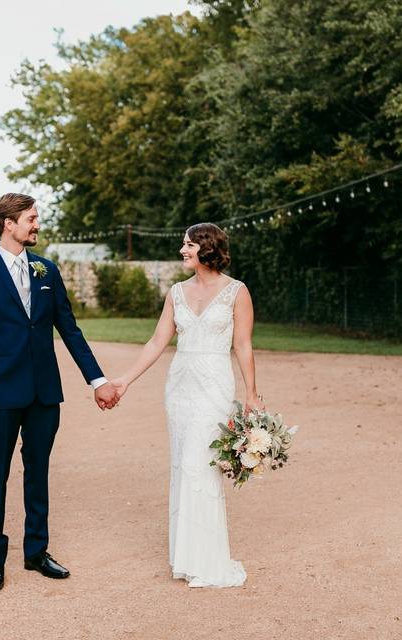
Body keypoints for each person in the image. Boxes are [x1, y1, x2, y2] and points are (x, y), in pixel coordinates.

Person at [0, 193, 120, 592]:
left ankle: (36, 552)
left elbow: (68, 328)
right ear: (8, 223)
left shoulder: (46, 270)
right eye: (31, 219)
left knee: (39, 471)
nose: (37, 225)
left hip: (45, 393)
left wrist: (97, 380)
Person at [109, 223, 260, 588]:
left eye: (188, 244)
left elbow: (243, 345)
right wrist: (125, 380)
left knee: (200, 464)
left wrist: (252, 394)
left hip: (214, 385)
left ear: (206, 248)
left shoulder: (237, 291)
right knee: (183, 464)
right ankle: (187, 558)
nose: (183, 250)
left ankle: (208, 561)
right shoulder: (176, 293)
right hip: (180, 386)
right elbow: (157, 342)